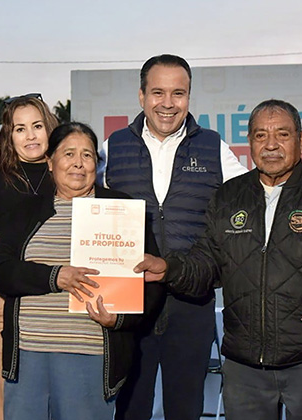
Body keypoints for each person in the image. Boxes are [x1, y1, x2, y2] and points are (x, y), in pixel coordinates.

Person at [136, 99, 302, 420]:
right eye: (261, 135)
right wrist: (168, 268)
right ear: (249, 143)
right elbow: (206, 262)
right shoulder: (228, 196)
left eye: (283, 134)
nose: (271, 145)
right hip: (244, 368)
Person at [99, 54, 247, 420]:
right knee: (130, 409)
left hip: (191, 301)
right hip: (130, 303)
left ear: (189, 97)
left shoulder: (214, 147)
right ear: (141, 96)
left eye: (178, 93)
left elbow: (248, 203)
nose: (168, 103)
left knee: (186, 409)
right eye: (158, 92)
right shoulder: (111, 147)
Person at [0, 122, 165, 420]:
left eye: (88, 155)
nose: (78, 163)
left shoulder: (121, 209)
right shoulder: (23, 211)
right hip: (28, 354)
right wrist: (55, 277)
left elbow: (152, 285)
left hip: (90, 353)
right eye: (68, 154)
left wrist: (119, 318)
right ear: (50, 161)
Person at [0, 93, 59, 420]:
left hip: (57, 299)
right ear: (9, 136)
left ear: (49, 128)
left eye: (37, 126)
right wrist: (1, 275)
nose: (31, 135)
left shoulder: (69, 177)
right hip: (4, 300)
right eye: (20, 129)